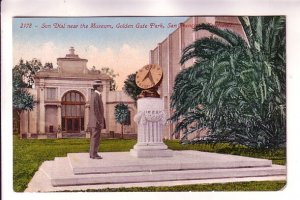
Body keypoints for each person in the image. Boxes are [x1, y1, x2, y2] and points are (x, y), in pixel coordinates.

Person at [87, 80, 106, 159]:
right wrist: (100, 121)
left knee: (94, 138)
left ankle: (92, 154)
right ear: (97, 87)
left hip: (94, 121)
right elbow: (96, 110)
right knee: (95, 138)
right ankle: (94, 154)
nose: (102, 88)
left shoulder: (96, 95)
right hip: (96, 122)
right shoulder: (95, 96)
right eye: (101, 86)